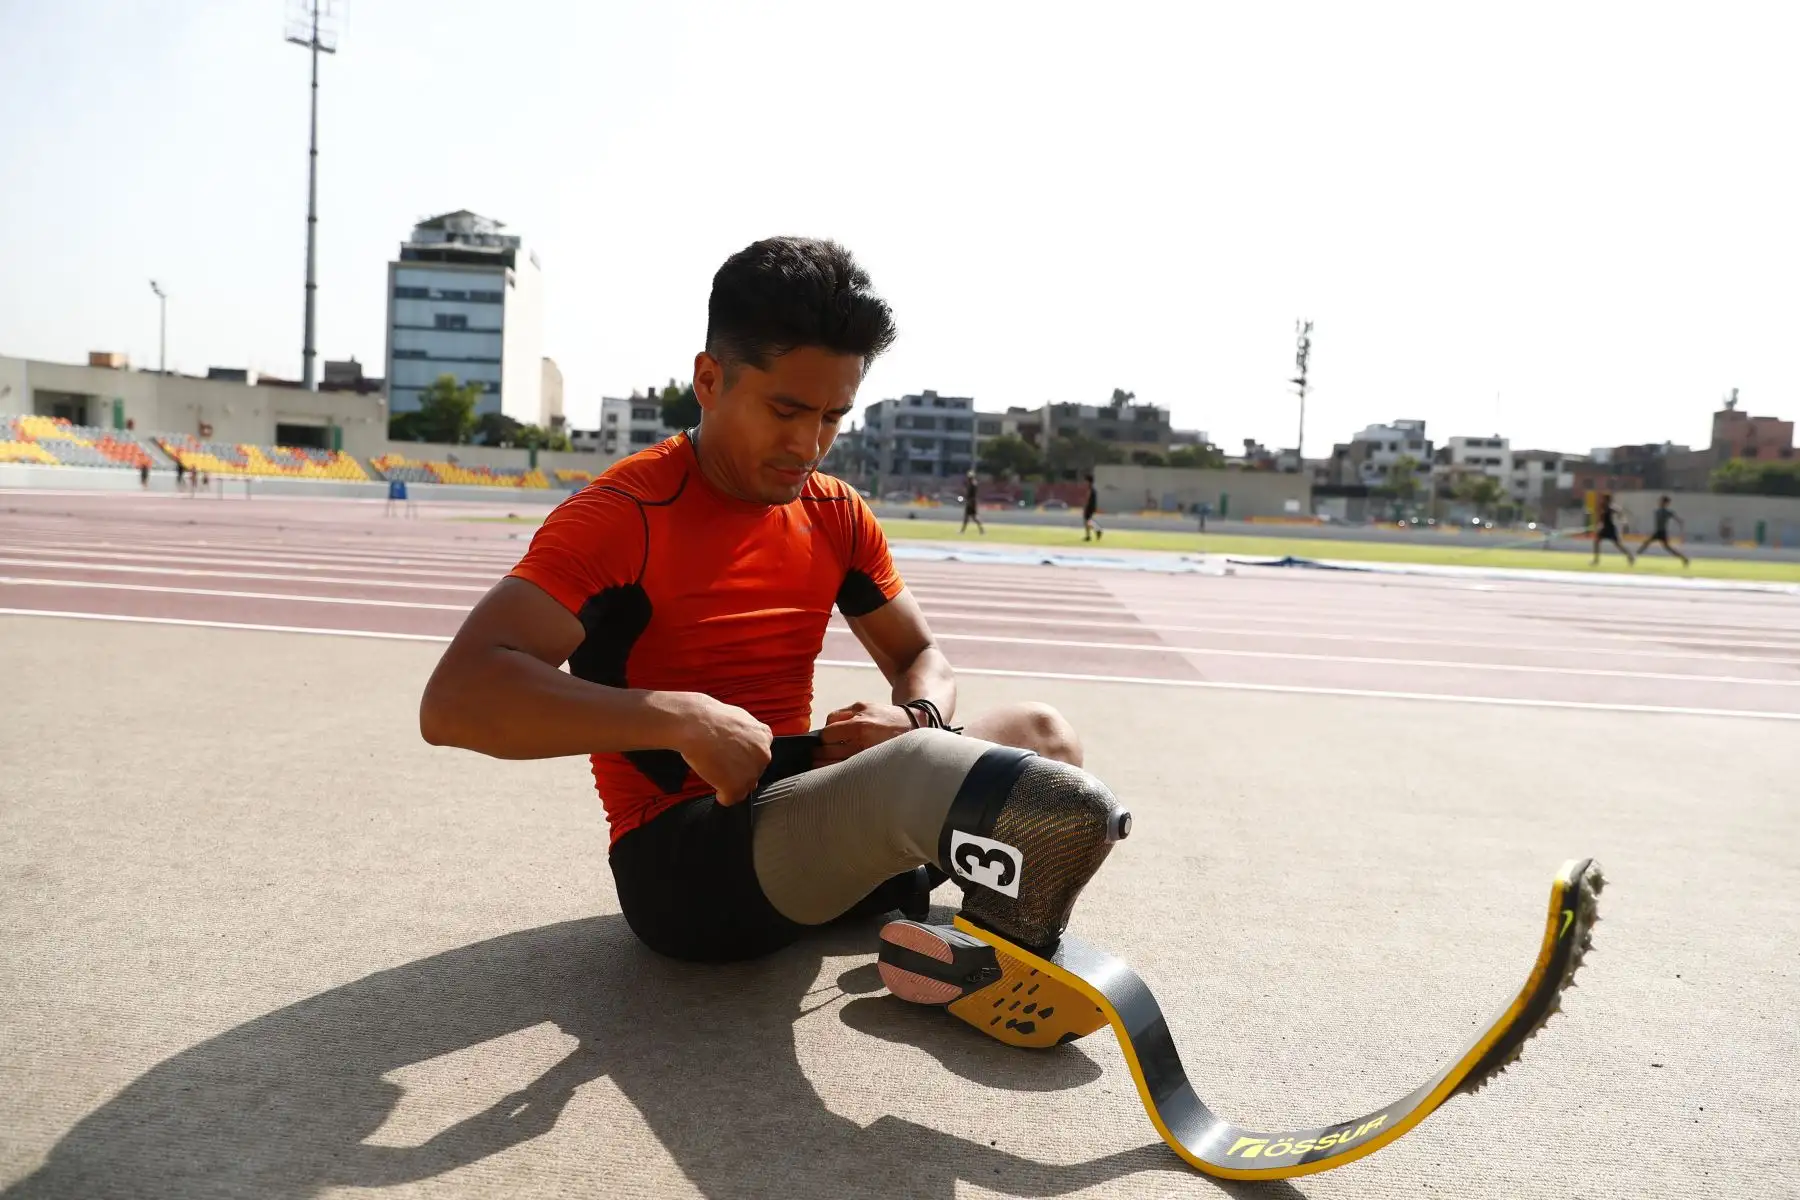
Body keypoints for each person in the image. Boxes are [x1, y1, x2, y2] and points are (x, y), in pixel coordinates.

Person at [418, 237, 1129, 1042]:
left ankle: (965, 955)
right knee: (927, 777)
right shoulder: (621, 518)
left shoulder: (834, 511)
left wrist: (916, 718)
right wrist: (676, 719)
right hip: (687, 869)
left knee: (1044, 739)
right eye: (787, 411)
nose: (809, 444)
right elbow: (456, 700)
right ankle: (967, 935)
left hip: (821, 822)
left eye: (832, 417)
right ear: (710, 380)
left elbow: (918, 658)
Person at [1636, 495, 1691, 567]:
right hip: (1658, 531)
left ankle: (1635, 555)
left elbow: (1677, 518)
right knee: (1647, 543)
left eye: (1661, 501)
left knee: (1649, 544)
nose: (1659, 502)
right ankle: (1684, 559)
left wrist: (1680, 522)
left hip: (1662, 532)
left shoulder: (1666, 512)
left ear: (1665, 503)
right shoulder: (1658, 511)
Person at [1591, 492, 1633, 565]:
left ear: (1607, 500)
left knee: (1618, 545)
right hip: (1604, 528)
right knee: (1596, 541)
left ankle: (1630, 556)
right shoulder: (1602, 507)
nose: (1602, 500)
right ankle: (1596, 560)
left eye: (1603, 499)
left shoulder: (1611, 507)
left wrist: (1624, 522)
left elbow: (1619, 512)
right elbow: (1600, 518)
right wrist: (1597, 525)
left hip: (1611, 529)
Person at [959, 471, 985, 535]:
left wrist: (967, 501)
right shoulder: (972, 483)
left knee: (971, 517)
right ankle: (981, 530)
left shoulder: (972, 484)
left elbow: (970, 494)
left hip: (971, 502)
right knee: (970, 517)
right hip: (971, 502)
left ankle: (963, 531)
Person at [1082, 473, 1102, 541]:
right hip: (1091, 507)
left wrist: (1085, 506)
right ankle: (1090, 534)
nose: (1085, 482)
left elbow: (1088, 498)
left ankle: (1096, 531)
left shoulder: (1091, 489)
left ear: (1088, 481)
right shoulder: (1093, 489)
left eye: (1086, 481)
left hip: (1089, 507)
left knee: (1088, 520)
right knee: (1088, 521)